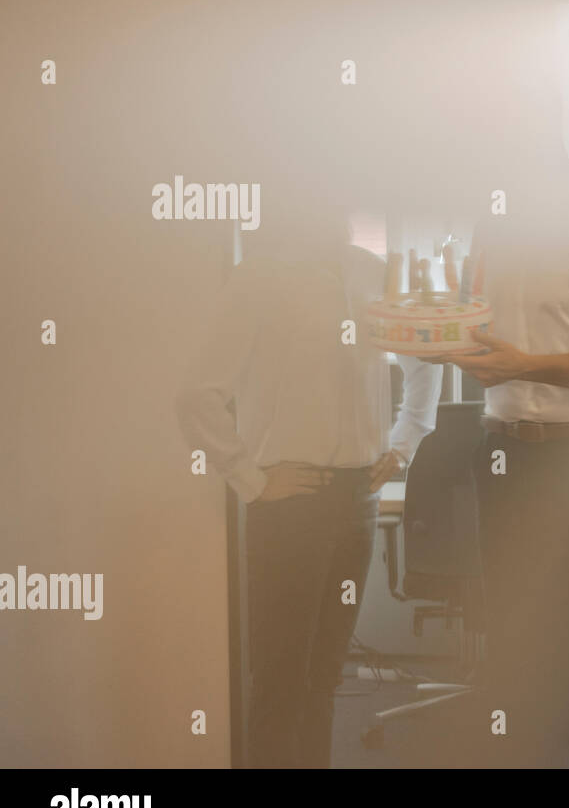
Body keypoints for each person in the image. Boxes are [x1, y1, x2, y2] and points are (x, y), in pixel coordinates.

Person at [176, 213, 441, 768]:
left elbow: (426, 359)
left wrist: (403, 443)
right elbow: (197, 394)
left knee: (325, 678)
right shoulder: (258, 280)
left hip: (357, 501)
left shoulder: (373, 274)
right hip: (289, 505)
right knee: (280, 681)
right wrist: (250, 479)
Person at [442, 157, 569, 768]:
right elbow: (472, 333)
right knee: (511, 651)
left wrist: (521, 364)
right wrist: (438, 345)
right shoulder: (492, 217)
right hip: (504, 451)